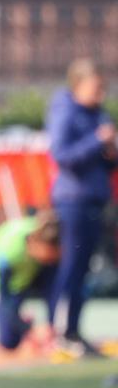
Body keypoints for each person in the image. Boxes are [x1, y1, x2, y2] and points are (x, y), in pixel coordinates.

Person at [46, 58, 117, 357]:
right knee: (72, 267)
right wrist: (95, 141)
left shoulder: (98, 114)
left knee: (84, 268)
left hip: (94, 200)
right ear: (78, 84)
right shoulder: (66, 112)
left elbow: (106, 164)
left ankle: (73, 330)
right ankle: (60, 331)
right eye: (95, 86)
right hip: (72, 200)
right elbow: (62, 155)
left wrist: (110, 151)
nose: (100, 93)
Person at [0, 213, 62, 351]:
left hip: (30, 275)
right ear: (37, 244)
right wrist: (28, 328)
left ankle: (53, 332)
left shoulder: (45, 233)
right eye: (48, 256)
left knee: (55, 284)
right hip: (8, 286)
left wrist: (50, 324)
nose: (50, 260)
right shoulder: (9, 253)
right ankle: (27, 326)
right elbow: (3, 296)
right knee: (9, 342)